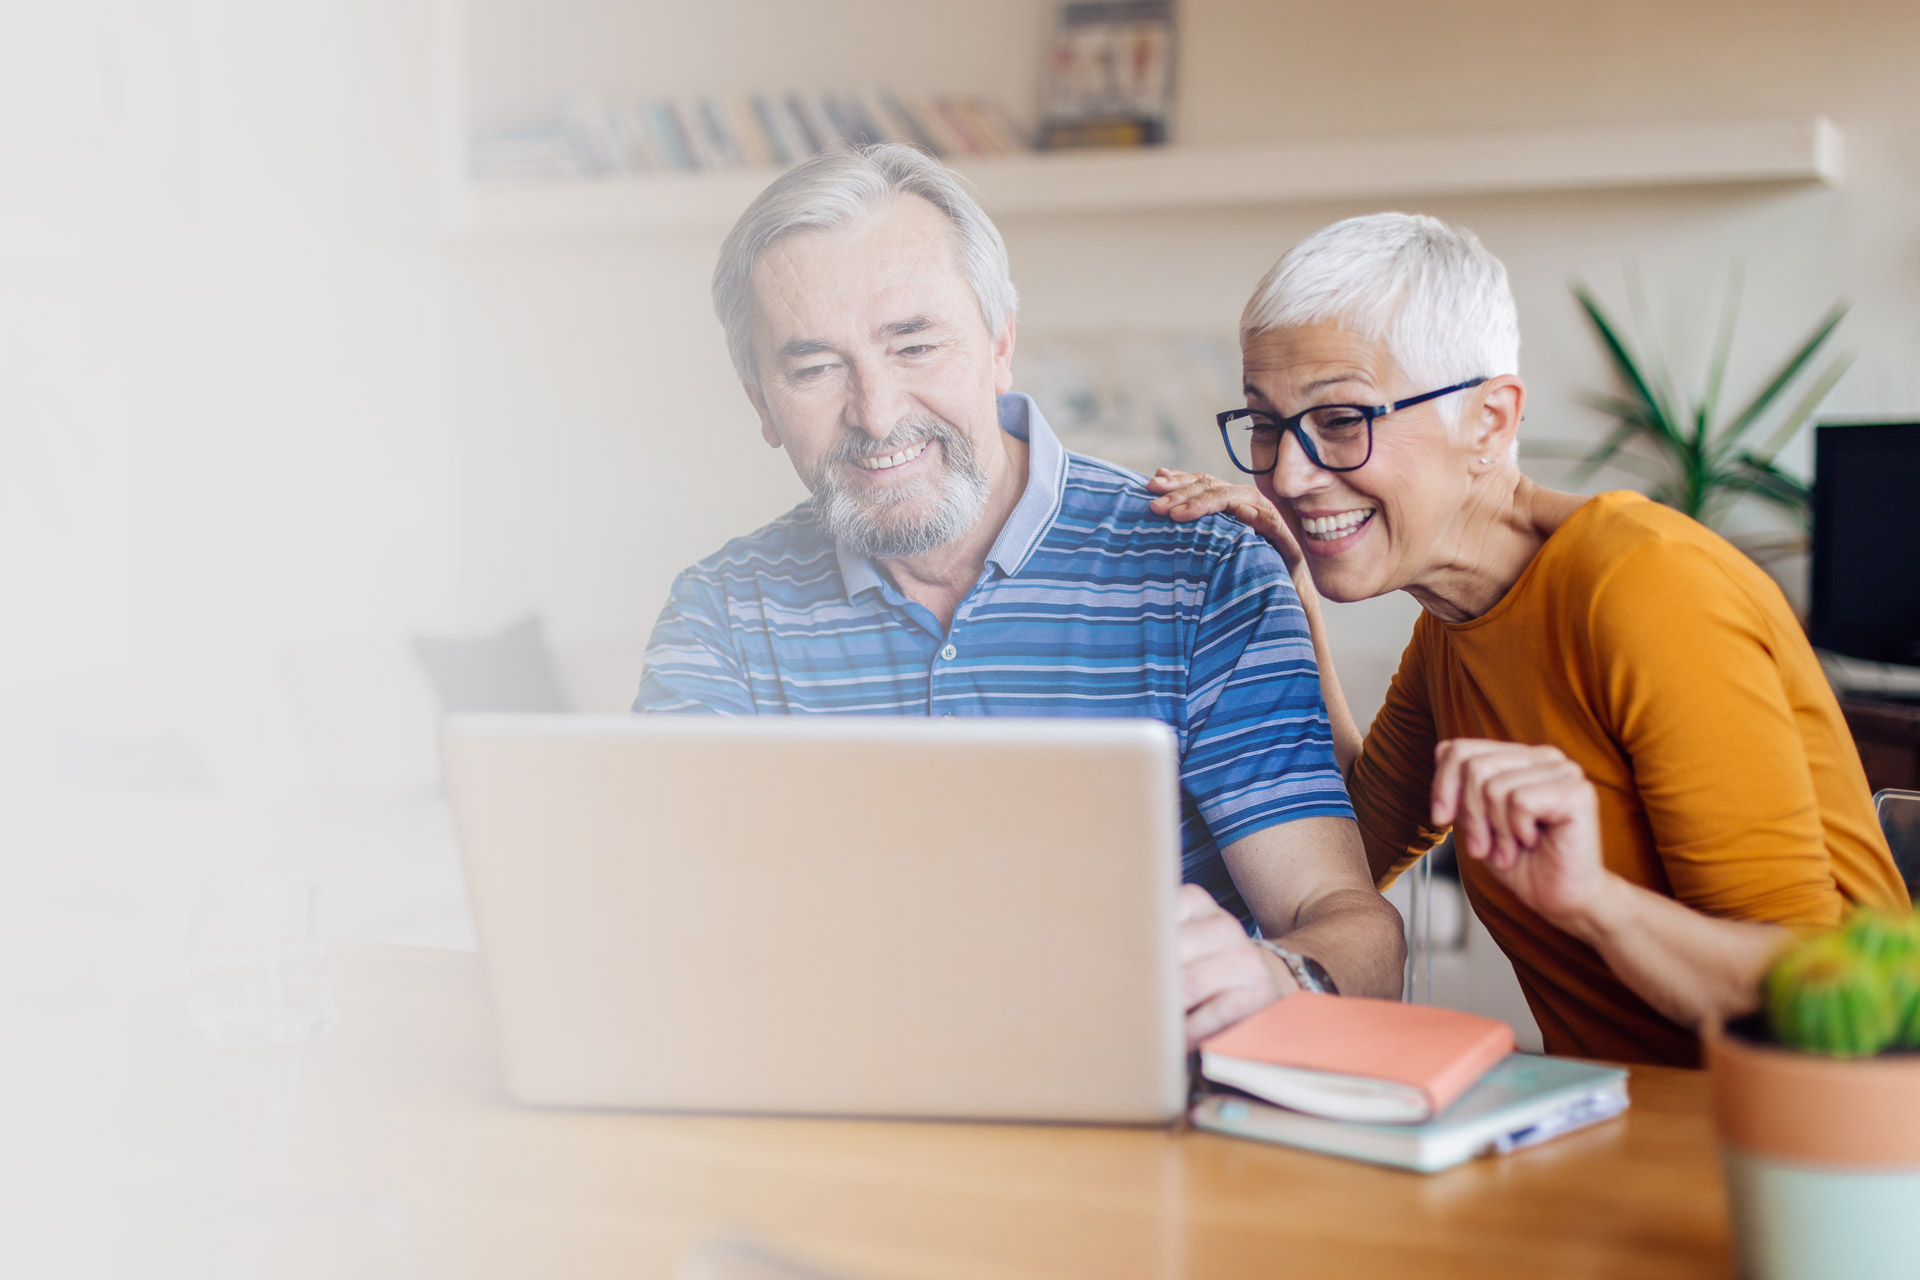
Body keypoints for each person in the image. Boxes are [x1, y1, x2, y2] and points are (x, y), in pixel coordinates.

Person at [634, 145, 1406, 1039]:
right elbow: (665, 919)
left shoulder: (1203, 573)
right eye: (814, 370)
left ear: (1001, 343)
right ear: (760, 402)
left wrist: (1277, 980)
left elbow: (1358, 935)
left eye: (915, 344)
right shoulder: (718, 615)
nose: (878, 414)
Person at [1149, 212, 1910, 1065]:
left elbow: (1816, 989)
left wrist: (1594, 902)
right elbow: (1348, 847)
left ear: (1490, 420)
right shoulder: (1455, 625)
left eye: (1340, 420)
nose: (1287, 473)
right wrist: (1281, 590)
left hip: (1813, 1140)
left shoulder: (1646, 586)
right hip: (1617, 1122)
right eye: (1265, 424)